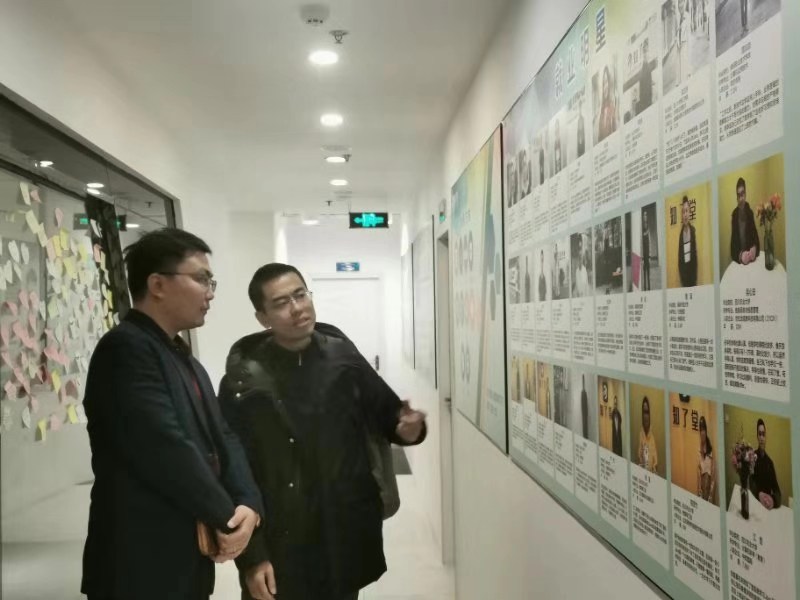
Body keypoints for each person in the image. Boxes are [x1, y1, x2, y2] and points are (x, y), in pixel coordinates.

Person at [219, 263, 427, 600]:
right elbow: (234, 468)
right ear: (262, 317)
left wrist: (408, 429)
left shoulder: (343, 358)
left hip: (341, 536)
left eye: (300, 295)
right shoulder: (243, 380)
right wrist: (252, 557)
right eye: (282, 302)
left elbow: (389, 415)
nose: (297, 307)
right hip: (282, 540)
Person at [81, 229, 263, 600]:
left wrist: (249, 503)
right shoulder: (125, 349)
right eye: (201, 279)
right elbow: (164, 448)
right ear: (157, 285)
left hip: (183, 556)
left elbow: (223, 436)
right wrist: (228, 518)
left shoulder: (183, 358)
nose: (210, 292)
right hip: (139, 561)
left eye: (211, 281)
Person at [750, 419, 782, 509]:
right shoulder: (752, 457)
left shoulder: (770, 463)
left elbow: (778, 492)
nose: (761, 437)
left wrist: (773, 500)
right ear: (757, 436)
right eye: (759, 434)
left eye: (763, 434)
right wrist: (759, 494)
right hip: (755, 504)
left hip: (767, 508)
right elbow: (751, 482)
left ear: (766, 437)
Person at [730, 177, 760, 266]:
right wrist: (740, 256)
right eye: (738, 195)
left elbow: (756, 241)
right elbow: (732, 249)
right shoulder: (734, 215)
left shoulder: (750, 213)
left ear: (745, 194)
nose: (741, 198)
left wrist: (754, 249)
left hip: (751, 262)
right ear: (737, 197)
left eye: (742, 194)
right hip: (740, 264)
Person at [678, 196, 698, 287]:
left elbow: (695, 255)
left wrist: (695, 278)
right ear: (682, 215)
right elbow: (680, 258)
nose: (685, 214)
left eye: (687, 211)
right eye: (683, 212)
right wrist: (682, 277)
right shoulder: (680, 234)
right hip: (684, 278)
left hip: (692, 276)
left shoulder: (693, 231)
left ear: (690, 213)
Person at [697, 416, 715, 502]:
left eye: (703, 429)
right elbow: (698, 472)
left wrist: (711, 494)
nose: (702, 433)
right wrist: (699, 490)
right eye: (701, 430)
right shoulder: (698, 450)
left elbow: (713, 473)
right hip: (701, 490)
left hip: (709, 490)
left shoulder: (710, 450)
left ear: (706, 431)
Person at [638, 397, 658, 472]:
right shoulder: (641, 434)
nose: (645, 416)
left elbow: (655, 460)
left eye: (647, 412)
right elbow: (640, 455)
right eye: (644, 413)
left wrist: (654, 468)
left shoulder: (652, 436)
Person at [598, 65, 617, 143]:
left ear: (609, 84)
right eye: (603, 83)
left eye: (606, 82)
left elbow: (614, 130)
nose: (605, 86)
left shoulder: (612, 105)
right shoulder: (601, 109)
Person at [636, 39, 654, 115]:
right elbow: (642, 84)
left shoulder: (647, 66)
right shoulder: (644, 67)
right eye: (645, 51)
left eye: (647, 51)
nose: (646, 54)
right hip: (645, 99)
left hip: (647, 98)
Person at [641, 211, 652, 291]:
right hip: (644, 253)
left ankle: (649, 286)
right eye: (644, 215)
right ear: (643, 217)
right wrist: (642, 257)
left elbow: (650, 242)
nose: (645, 216)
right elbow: (641, 243)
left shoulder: (648, 227)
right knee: (644, 270)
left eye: (646, 215)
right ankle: (644, 286)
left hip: (648, 253)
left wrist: (650, 255)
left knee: (648, 270)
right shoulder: (642, 228)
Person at [580, 374, 589, 440]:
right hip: (584, 413)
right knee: (584, 424)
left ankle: (585, 436)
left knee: (585, 424)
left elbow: (585, 406)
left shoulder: (584, 393)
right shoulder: (583, 393)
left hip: (585, 413)